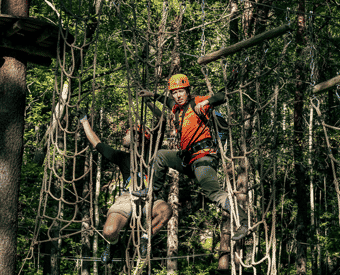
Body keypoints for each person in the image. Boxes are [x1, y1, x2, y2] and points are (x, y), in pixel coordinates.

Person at [139, 73, 249, 241]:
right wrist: (152, 95)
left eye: (181, 91)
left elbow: (222, 96)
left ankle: (243, 221)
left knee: (214, 193)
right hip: (187, 159)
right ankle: (152, 191)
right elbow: (167, 101)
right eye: (174, 93)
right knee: (161, 156)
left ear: (187, 91)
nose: (177, 96)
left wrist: (207, 102)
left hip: (203, 158)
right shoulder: (177, 108)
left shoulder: (197, 102)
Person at [80, 116, 173, 263]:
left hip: (150, 197)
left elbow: (161, 124)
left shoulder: (153, 154)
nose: (124, 136)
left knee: (166, 210)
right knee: (109, 231)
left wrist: (151, 99)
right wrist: (84, 121)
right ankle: (112, 244)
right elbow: (97, 143)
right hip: (127, 197)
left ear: (139, 138)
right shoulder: (122, 157)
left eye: (127, 134)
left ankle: (145, 238)